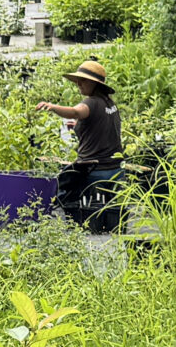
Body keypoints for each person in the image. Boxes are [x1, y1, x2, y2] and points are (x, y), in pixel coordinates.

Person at [39, 59, 124, 228]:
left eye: (83, 80)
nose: (78, 84)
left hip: (94, 169)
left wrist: (53, 107)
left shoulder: (90, 103)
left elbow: (76, 111)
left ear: (95, 83)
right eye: (77, 80)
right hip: (116, 169)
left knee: (62, 183)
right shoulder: (109, 104)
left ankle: (70, 223)